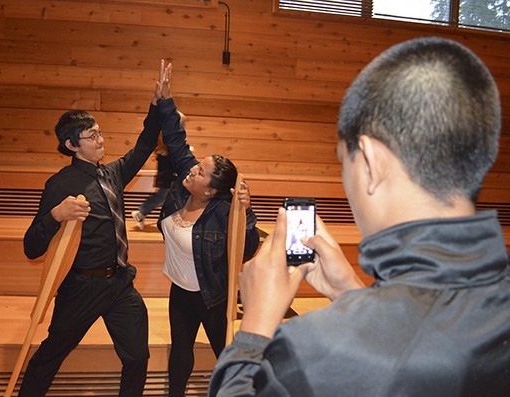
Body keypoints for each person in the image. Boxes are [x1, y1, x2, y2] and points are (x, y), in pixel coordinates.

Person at [208, 36, 510, 396]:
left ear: (371, 160)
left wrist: (255, 326)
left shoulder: (317, 349)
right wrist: (353, 294)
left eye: (343, 160)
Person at [19, 66, 169, 396]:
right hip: (81, 288)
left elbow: (144, 145)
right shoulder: (59, 185)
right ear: (72, 145)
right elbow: (31, 247)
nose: (101, 140)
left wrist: (157, 105)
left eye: (100, 133)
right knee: (50, 356)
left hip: (119, 283)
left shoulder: (112, 173)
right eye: (92, 137)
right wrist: (56, 215)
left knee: (137, 357)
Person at [154, 62, 260, 396]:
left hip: (213, 296)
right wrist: (165, 99)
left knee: (225, 358)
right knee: (180, 356)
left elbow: (247, 246)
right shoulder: (184, 187)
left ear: (211, 190)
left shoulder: (223, 212)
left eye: (201, 172)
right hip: (180, 292)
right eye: (198, 166)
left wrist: (247, 211)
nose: (193, 171)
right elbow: (175, 138)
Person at [131, 112, 186, 231]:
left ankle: (144, 213)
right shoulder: (169, 141)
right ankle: (141, 212)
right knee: (162, 198)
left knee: (167, 198)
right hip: (168, 178)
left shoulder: (167, 140)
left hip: (168, 178)